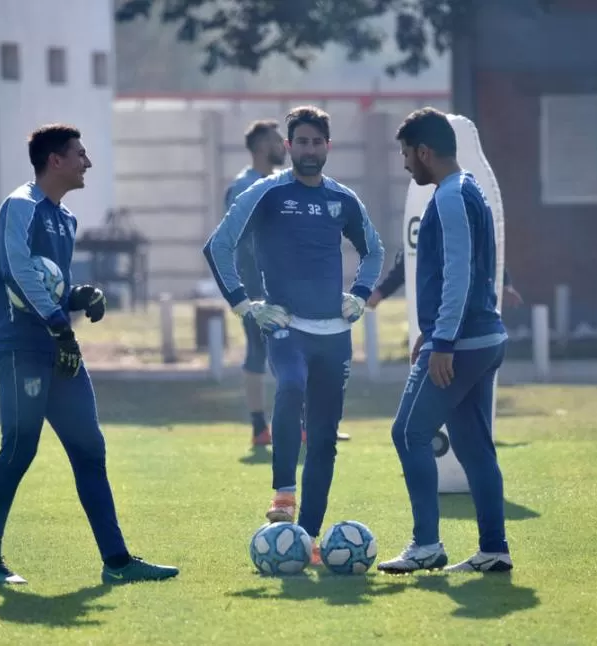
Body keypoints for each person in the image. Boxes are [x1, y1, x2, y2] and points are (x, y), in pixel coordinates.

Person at [0, 124, 179, 586]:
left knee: (90, 450)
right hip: (21, 349)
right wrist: (61, 323)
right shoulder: (20, 207)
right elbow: (16, 272)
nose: (88, 162)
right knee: (19, 448)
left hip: (58, 347)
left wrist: (77, 298)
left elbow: (48, 286)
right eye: (80, 154)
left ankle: (118, 563)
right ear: (55, 160)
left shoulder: (65, 220)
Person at [203, 106, 384, 560]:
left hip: (335, 332)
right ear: (287, 147)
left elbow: (375, 251)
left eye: (316, 142)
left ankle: (308, 539)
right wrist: (244, 303)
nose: (308, 149)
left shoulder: (343, 200)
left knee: (324, 438)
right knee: (290, 385)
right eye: (299, 142)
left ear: (327, 147)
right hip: (286, 325)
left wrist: (360, 294)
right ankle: (283, 494)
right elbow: (218, 246)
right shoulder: (265, 192)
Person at [377, 108, 513, 574]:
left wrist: (442, 341)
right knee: (475, 446)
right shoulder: (468, 188)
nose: (404, 164)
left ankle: (426, 546)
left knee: (408, 432)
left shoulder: (451, 197)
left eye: (406, 154)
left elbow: (459, 272)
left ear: (424, 152)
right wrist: (435, 335)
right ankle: (494, 550)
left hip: (464, 342)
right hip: (484, 337)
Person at [224, 120, 285, 446]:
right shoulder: (244, 186)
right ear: (262, 146)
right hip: (256, 287)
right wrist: (253, 288)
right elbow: (240, 239)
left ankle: (295, 424)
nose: (283, 147)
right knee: (260, 351)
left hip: (284, 284)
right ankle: (260, 427)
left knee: (293, 350)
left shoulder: (278, 183)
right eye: (278, 141)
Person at [366, 251, 523, 309]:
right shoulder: (424, 217)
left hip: (467, 304)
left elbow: (485, 253)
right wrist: (381, 292)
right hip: (436, 307)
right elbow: (409, 261)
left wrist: (504, 283)